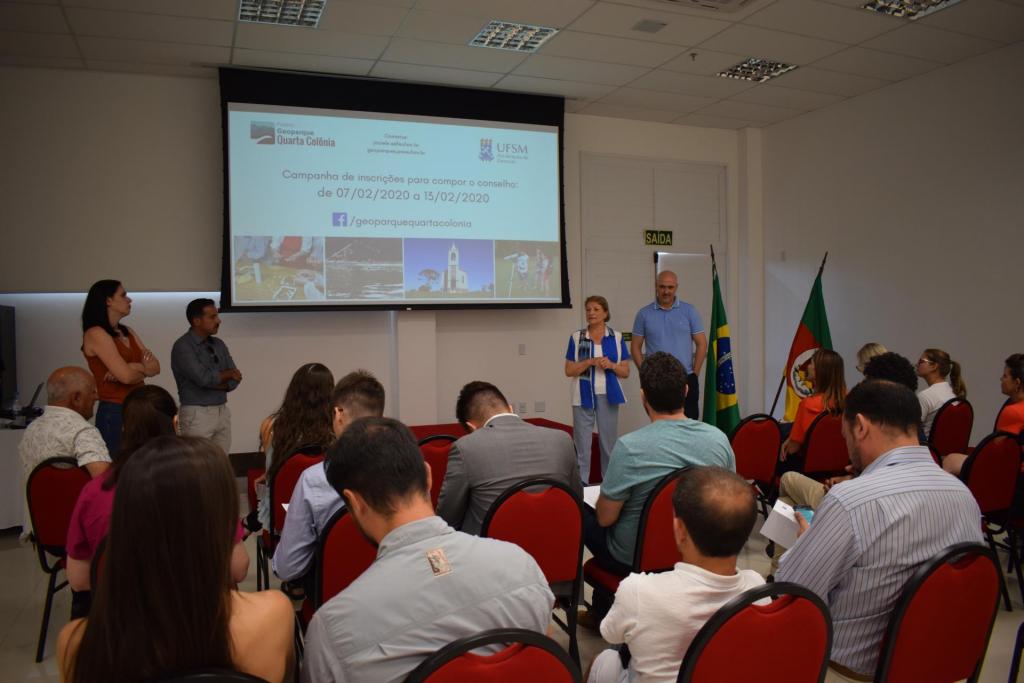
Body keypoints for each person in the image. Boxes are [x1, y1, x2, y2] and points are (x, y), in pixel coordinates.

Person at [301, 417, 554, 683]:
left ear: (354, 502)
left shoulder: (333, 631)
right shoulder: (522, 566)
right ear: (428, 476)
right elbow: (545, 665)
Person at [777, 380, 983, 680]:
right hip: (941, 665)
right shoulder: (964, 495)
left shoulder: (851, 501)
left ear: (860, 427)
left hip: (854, 671)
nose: (847, 447)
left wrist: (805, 543)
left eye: (845, 435)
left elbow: (793, 592)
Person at [57, 436, 294, 683]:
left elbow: (79, 580)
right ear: (220, 520)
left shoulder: (77, 645)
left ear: (125, 518)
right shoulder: (273, 615)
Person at [64, 386, 250, 607]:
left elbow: (79, 581)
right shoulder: (209, 481)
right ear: (175, 423)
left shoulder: (94, 491)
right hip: (198, 616)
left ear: (124, 428)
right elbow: (238, 568)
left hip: (123, 620)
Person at [583, 352, 735, 622]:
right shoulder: (718, 440)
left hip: (634, 558)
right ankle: (602, 610)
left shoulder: (630, 447)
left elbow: (606, 519)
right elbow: (730, 502)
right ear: (686, 391)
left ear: (644, 397)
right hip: (699, 551)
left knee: (583, 513)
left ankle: (600, 612)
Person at [589, 467, 764, 683]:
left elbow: (610, 634)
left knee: (604, 659)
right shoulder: (758, 589)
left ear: (679, 530)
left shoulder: (639, 591)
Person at [767, 352, 918, 577]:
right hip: (838, 474)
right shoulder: (849, 402)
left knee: (787, 480)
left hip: (838, 496)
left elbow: (795, 447)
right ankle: (776, 572)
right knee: (788, 502)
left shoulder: (811, 404)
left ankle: (782, 565)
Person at [273, 370, 385, 584]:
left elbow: (288, 568)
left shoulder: (313, 479)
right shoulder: (404, 470)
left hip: (334, 594)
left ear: (338, 414)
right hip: (392, 590)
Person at [436, 381, 581, 535]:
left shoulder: (465, 447)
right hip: (556, 542)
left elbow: (447, 519)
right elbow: (576, 501)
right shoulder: (562, 439)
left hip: (492, 547)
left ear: (472, 427)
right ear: (511, 409)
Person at [81, 280, 160, 454]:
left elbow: (155, 367)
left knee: (142, 461)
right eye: (123, 295)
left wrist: (134, 366)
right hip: (116, 410)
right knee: (119, 465)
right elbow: (126, 377)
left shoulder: (127, 331)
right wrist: (142, 369)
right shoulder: (95, 333)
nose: (129, 299)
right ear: (108, 301)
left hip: (139, 406)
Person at [255, 362, 335, 531]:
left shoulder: (271, 425)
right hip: (328, 519)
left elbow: (276, 472)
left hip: (282, 517)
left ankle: (243, 528)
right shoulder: (336, 427)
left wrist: (270, 475)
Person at [565, 296, 631, 484]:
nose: (591, 313)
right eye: (588, 309)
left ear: (605, 313)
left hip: (608, 395)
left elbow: (625, 372)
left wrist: (611, 365)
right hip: (582, 396)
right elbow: (569, 370)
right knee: (582, 446)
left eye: (596, 309)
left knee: (608, 445)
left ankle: (608, 486)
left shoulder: (616, 337)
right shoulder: (577, 337)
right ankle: (581, 486)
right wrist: (589, 362)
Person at [631, 271, 707, 419]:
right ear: (656, 286)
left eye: (670, 287)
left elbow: (702, 344)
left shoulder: (690, 311)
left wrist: (694, 375)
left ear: (676, 287)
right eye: (662, 287)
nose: (666, 291)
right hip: (656, 380)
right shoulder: (643, 314)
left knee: (689, 423)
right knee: (661, 423)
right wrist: (646, 373)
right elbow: (635, 347)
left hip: (686, 378)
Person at [170, 298, 242, 455]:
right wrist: (226, 375)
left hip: (222, 411)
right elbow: (203, 378)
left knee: (221, 461)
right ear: (196, 321)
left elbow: (235, 376)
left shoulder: (219, 344)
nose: (219, 321)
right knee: (196, 462)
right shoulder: (183, 346)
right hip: (197, 413)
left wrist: (222, 380)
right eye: (212, 317)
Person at [19, 367, 110, 480]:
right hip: (75, 492)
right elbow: (104, 481)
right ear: (76, 398)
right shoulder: (82, 431)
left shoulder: (32, 428)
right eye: (92, 392)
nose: (97, 397)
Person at [942, 353, 1024, 476]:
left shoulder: (1013, 411)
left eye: (1005, 376)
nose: (1001, 379)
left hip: (1012, 476)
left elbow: (998, 454)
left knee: (949, 461)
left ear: (1017, 383)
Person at [780, 349, 846, 462]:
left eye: (811, 363)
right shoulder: (848, 399)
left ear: (819, 372)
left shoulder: (808, 405)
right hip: (838, 462)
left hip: (808, 465)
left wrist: (789, 441)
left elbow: (792, 449)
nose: (807, 366)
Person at [915, 348, 966, 439]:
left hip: (926, 447)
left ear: (934, 366)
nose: (916, 364)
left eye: (921, 361)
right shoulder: (953, 393)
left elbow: (911, 430)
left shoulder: (925, 396)